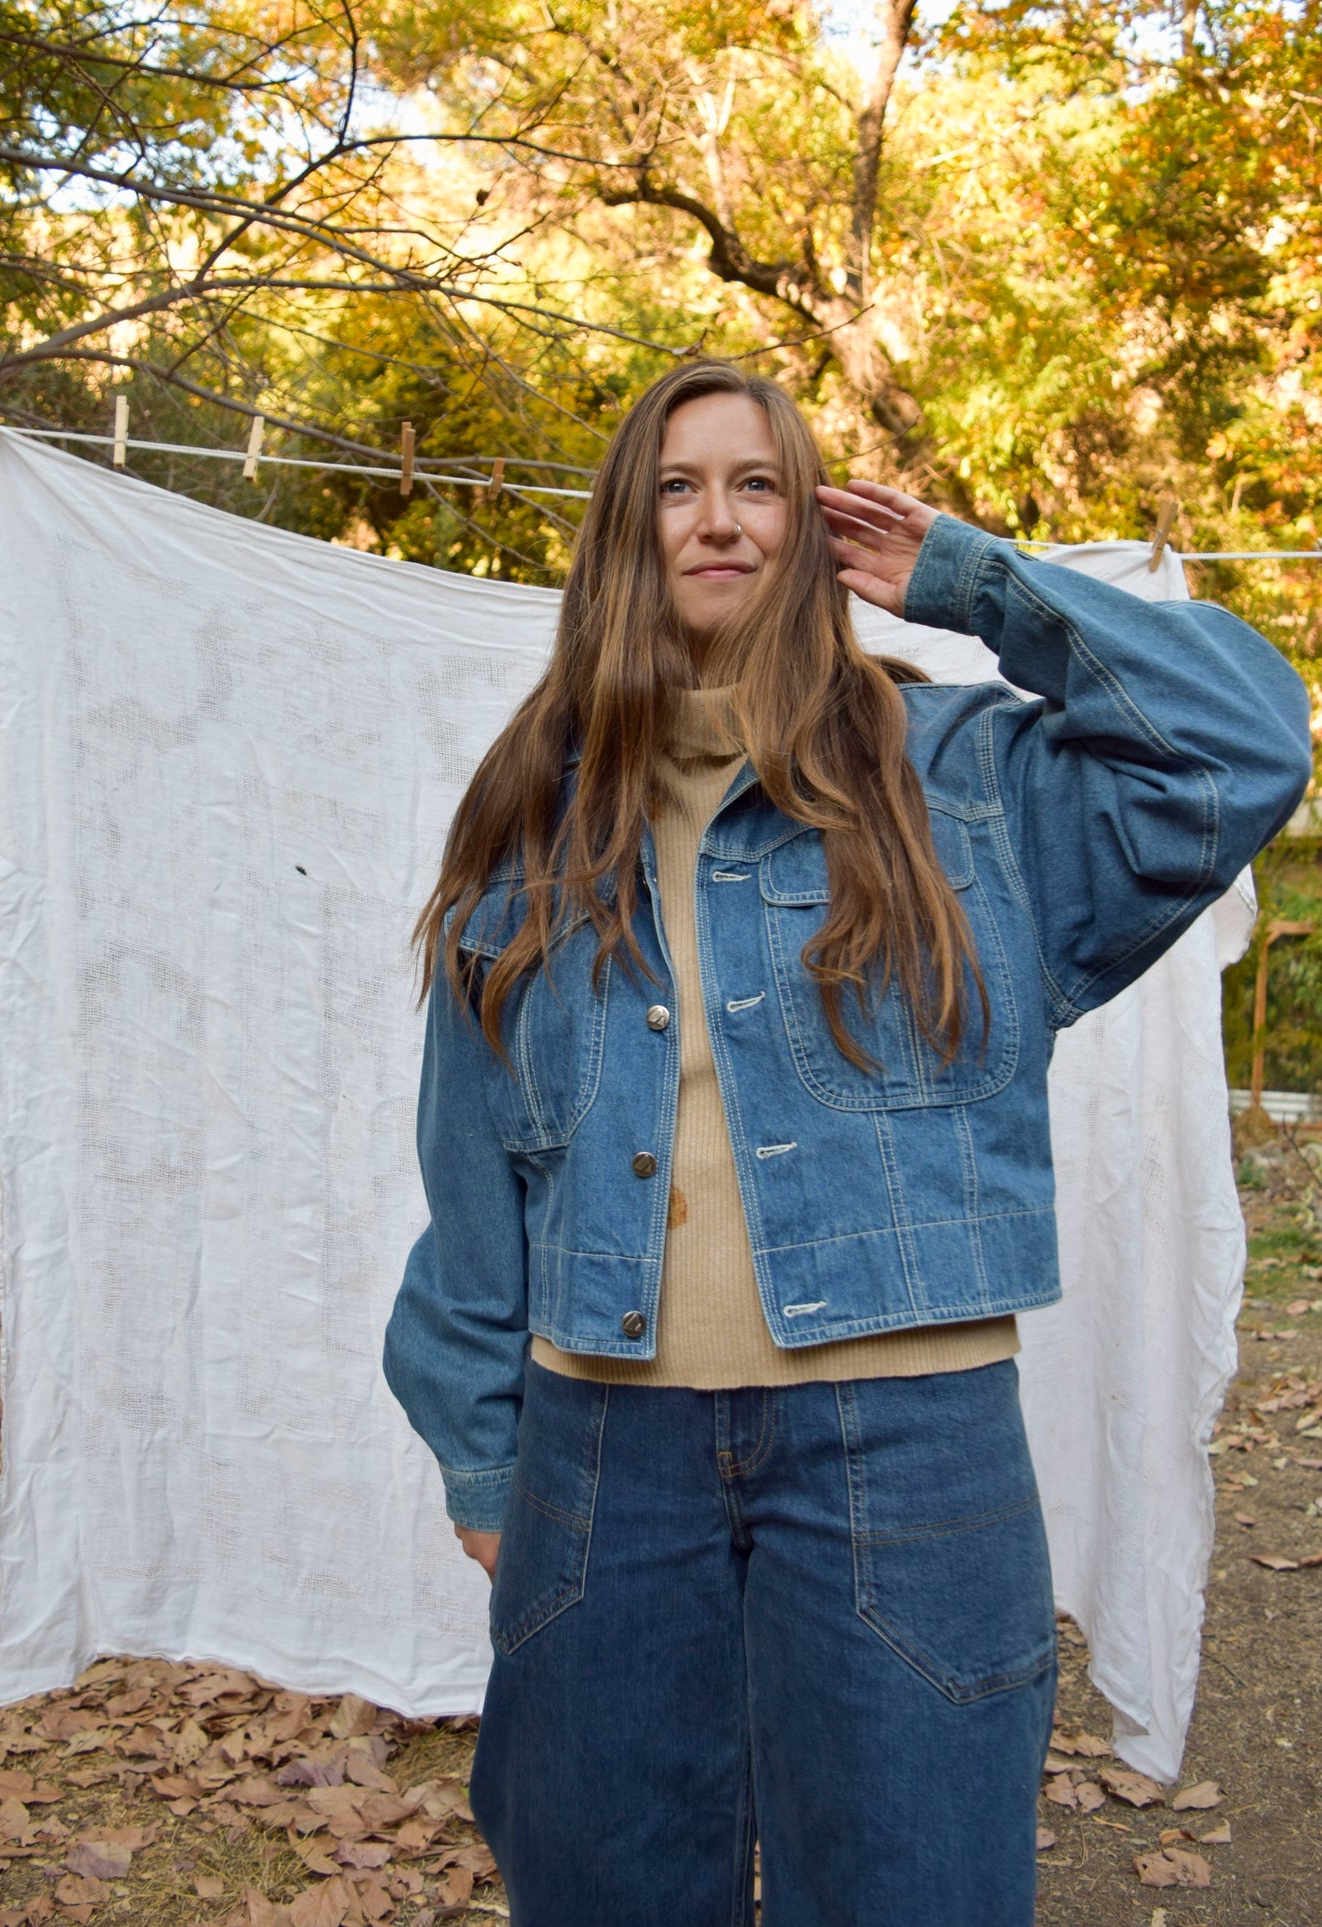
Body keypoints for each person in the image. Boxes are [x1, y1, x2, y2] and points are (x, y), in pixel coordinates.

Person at [382, 360, 1311, 1927]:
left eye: (757, 483)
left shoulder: (963, 780)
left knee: (912, 1893)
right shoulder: (539, 814)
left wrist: (973, 581)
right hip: (603, 1461)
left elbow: (1241, 740)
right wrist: (485, 1451)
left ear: (811, 528)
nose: (717, 518)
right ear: (628, 531)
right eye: (677, 487)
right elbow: (471, 1157)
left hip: (904, 1446)